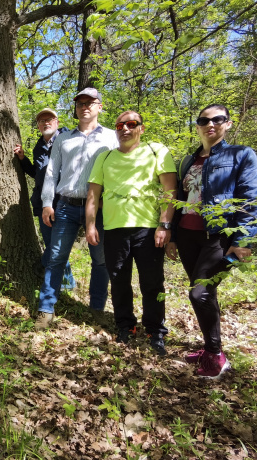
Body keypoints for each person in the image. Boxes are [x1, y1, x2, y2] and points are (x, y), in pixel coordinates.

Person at [166, 104, 257, 378]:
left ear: (228, 123)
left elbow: (251, 198)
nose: (210, 124)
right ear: (197, 126)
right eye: (203, 120)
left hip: (218, 237)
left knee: (200, 292)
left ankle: (216, 357)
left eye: (217, 119)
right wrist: (173, 234)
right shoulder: (188, 161)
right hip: (187, 235)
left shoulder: (240, 154)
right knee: (205, 294)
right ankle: (211, 346)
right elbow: (179, 200)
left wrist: (243, 239)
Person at [85, 111, 177, 356]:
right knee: (119, 281)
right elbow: (93, 194)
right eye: (119, 125)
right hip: (114, 229)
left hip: (148, 229)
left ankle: (155, 330)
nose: (124, 128)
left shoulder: (156, 151)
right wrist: (91, 225)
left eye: (131, 124)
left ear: (141, 128)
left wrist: (164, 225)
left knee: (152, 282)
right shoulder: (104, 158)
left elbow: (169, 190)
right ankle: (126, 325)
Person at [37, 88, 118, 329]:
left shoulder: (112, 138)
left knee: (100, 260)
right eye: (80, 103)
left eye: (90, 103)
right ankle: (45, 308)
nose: (85, 107)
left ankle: (96, 309)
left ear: (99, 107)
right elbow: (51, 172)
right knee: (56, 257)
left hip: (100, 209)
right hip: (65, 207)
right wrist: (47, 203)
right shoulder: (64, 138)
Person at [14, 107, 76, 288]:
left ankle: (49, 272)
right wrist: (23, 159)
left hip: (65, 203)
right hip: (43, 204)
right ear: (39, 127)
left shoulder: (68, 140)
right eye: (41, 121)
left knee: (57, 247)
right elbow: (37, 173)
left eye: (49, 119)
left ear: (57, 122)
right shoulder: (39, 147)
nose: (45, 123)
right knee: (52, 244)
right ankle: (68, 283)